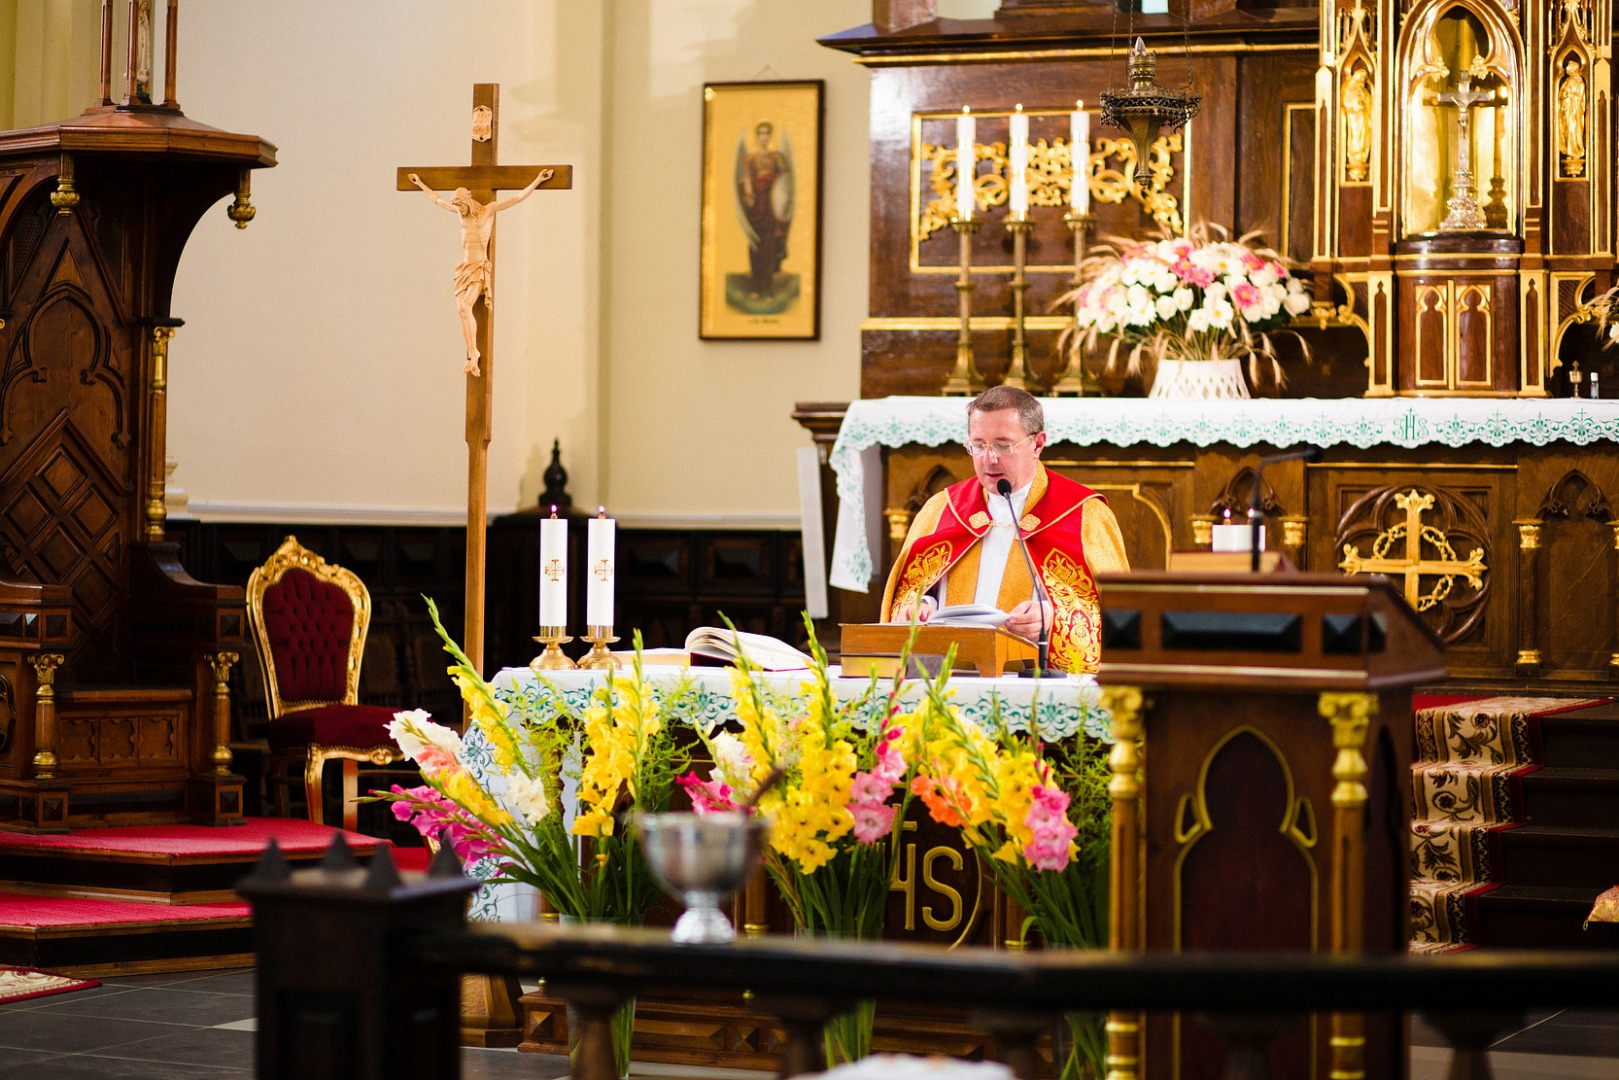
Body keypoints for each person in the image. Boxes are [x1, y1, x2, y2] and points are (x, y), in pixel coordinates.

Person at [880, 386, 1130, 674]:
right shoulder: (941, 510)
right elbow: (908, 594)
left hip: (1035, 686)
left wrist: (1053, 619)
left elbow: (1120, 619)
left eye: (1002, 445)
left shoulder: (1085, 516)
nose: (989, 459)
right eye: (978, 445)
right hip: (947, 681)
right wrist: (918, 605)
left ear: (1037, 445)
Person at [407, 168, 554, 376]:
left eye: (459, 204)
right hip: (464, 268)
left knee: (466, 306)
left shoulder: (488, 210)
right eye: (456, 205)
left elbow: (518, 198)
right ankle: (472, 354)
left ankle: (473, 355)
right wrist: (419, 183)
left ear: (467, 199)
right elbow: (437, 200)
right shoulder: (460, 213)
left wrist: (538, 180)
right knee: (461, 310)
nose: (457, 208)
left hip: (478, 267)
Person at [736, 121, 791, 299]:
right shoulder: (750, 159)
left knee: (769, 247)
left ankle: (767, 289)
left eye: (767, 133)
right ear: (757, 136)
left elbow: (785, 180)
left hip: (772, 205)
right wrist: (749, 194)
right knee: (755, 244)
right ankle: (755, 287)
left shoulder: (777, 157)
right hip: (756, 205)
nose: (764, 137)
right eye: (761, 133)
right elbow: (747, 179)